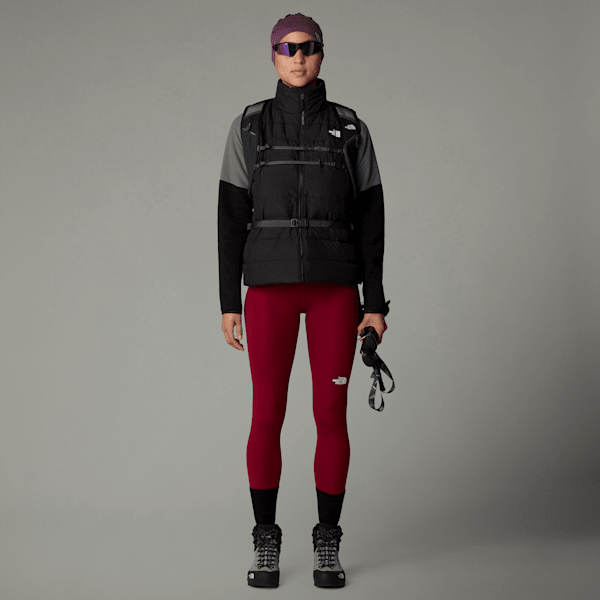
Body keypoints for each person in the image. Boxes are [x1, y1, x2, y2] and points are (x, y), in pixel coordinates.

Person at [217, 13, 389, 588]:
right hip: (267, 293)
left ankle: (328, 542)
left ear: (321, 54)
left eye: (308, 47)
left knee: (330, 415)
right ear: (273, 55)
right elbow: (229, 216)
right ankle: (266, 540)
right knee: (267, 413)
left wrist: (374, 301)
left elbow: (372, 220)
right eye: (287, 48)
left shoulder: (351, 129)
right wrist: (229, 301)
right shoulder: (249, 127)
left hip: (334, 292)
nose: (298, 57)